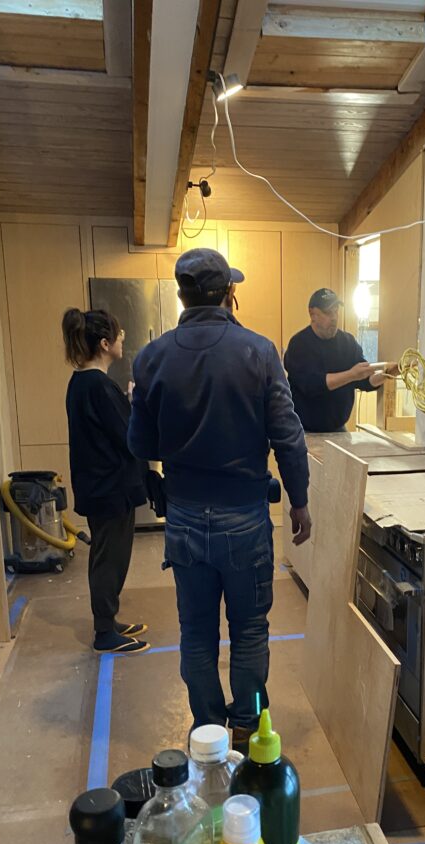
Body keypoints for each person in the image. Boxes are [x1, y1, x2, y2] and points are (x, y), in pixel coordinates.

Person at [127, 249, 311, 751]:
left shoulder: (152, 357)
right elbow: (288, 435)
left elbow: (140, 446)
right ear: (230, 293)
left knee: (197, 633)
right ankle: (248, 729)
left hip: (184, 518)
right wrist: (299, 500)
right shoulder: (258, 351)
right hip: (245, 519)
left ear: (182, 295)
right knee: (249, 631)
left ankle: (207, 734)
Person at [62, 308, 149, 654]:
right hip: (108, 489)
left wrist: (126, 401)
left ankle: (108, 620)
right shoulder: (97, 385)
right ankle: (104, 632)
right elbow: (127, 435)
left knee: (107, 555)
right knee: (109, 559)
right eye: (119, 333)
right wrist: (135, 403)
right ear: (104, 343)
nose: (123, 338)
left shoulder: (83, 382)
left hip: (99, 487)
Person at [283, 287, 393, 433]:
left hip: (338, 430)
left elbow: (365, 381)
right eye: (328, 312)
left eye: (336, 311)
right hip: (304, 431)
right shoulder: (299, 344)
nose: (334, 317)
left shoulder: (348, 342)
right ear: (312, 314)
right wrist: (352, 374)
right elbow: (311, 385)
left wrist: (389, 373)